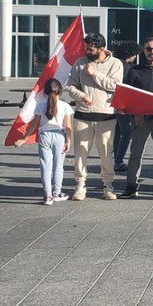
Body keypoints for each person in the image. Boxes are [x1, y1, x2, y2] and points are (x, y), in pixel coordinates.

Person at [64, 33, 124, 201]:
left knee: (106, 152)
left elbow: (115, 86)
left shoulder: (115, 63)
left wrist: (94, 74)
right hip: (83, 114)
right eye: (86, 48)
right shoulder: (80, 63)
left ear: (102, 48)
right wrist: (81, 96)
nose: (87, 51)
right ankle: (80, 185)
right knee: (80, 152)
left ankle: (108, 185)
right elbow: (70, 86)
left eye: (90, 48)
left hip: (106, 114)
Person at [120, 37, 153, 198]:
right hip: (140, 118)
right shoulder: (134, 71)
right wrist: (135, 113)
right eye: (149, 49)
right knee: (136, 152)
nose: (152, 52)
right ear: (144, 51)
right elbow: (128, 96)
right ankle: (131, 184)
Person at [14, 78, 73, 204]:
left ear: (45, 92)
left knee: (46, 166)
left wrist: (24, 138)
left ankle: (48, 196)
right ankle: (57, 193)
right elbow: (68, 126)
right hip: (59, 135)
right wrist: (68, 141)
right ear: (60, 91)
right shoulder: (65, 106)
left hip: (44, 136)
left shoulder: (40, 106)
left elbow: (34, 125)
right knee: (58, 166)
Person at [111, 41, 140, 174]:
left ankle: (116, 157)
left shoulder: (115, 64)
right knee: (127, 132)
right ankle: (119, 160)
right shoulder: (127, 68)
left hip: (114, 102)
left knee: (118, 131)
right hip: (123, 104)